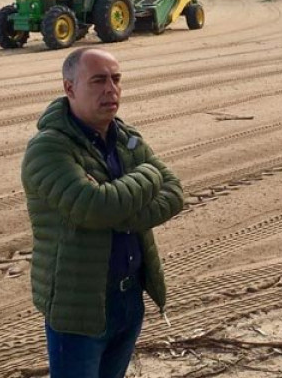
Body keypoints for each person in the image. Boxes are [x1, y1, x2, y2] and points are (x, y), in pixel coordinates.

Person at [22, 47, 183, 377]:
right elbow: (96, 207)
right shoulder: (48, 149)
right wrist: (149, 176)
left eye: (116, 79)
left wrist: (118, 209)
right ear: (70, 88)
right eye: (98, 80)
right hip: (79, 308)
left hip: (129, 300)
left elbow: (175, 191)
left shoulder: (125, 137)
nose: (111, 90)